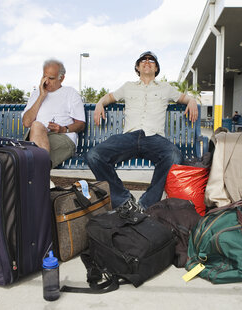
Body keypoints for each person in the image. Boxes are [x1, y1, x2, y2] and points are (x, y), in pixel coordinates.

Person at [85, 51, 198, 212]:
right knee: (94, 155)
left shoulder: (166, 88)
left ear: (156, 68)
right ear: (137, 67)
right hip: (129, 137)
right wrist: (99, 104)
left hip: (154, 138)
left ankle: (146, 204)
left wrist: (192, 100)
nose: (147, 62)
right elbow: (109, 97)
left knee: (174, 156)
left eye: (151, 60)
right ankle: (123, 200)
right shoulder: (128, 87)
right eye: (143, 60)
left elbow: (184, 98)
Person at [22, 59, 85, 168]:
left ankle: (39, 176)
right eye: (44, 77)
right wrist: (41, 96)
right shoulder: (36, 94)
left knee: (28, 159)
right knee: (36, 126)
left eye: (51, 78)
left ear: (62, 78)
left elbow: (81, 124)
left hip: (63, 137)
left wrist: (64, 129)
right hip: (36, 135)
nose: (46, 82)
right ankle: (41, 176)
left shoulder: (70, 93)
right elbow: (27, 123)